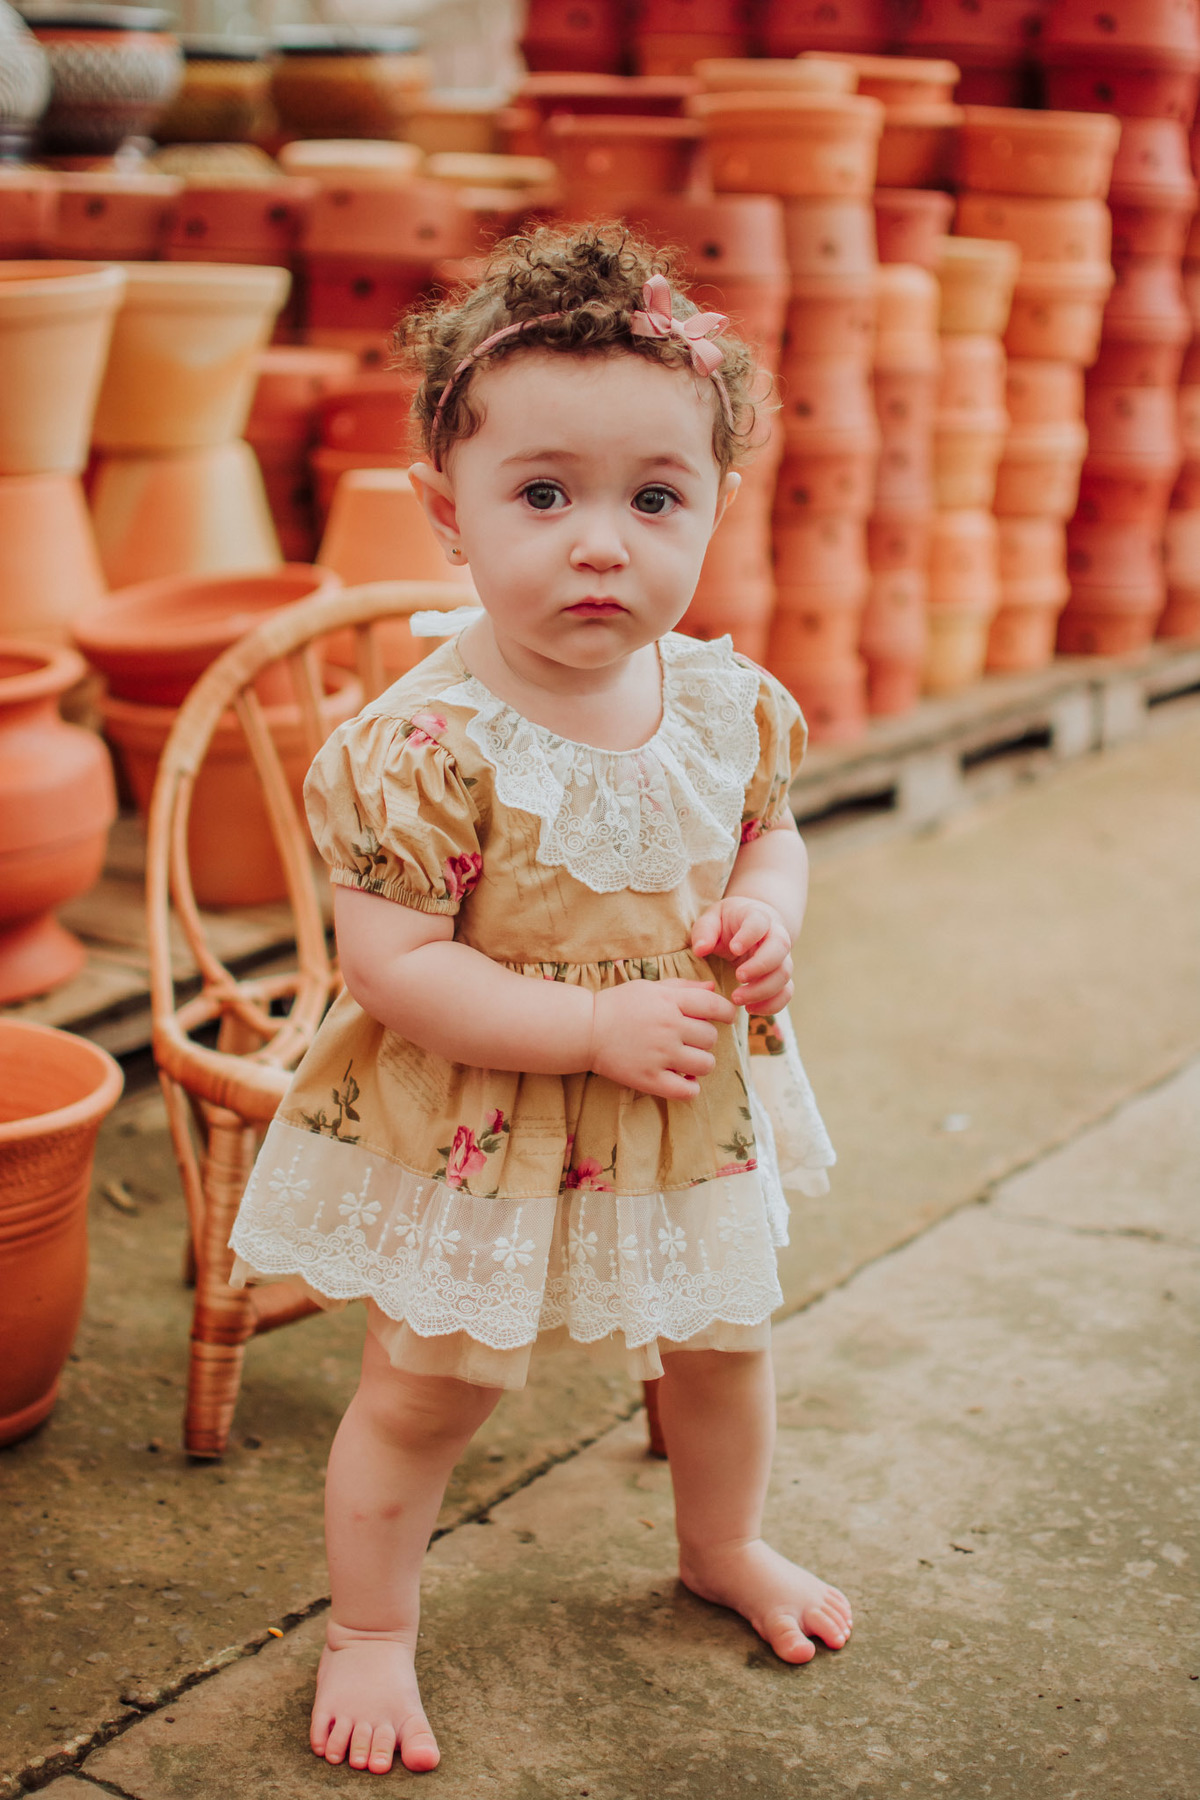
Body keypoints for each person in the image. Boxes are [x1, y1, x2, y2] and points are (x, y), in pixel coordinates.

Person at [229, 222, 849, 1777]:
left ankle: (723, 1543)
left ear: (713, 507)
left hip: (678, 1096)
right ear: (449, 516)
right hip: (485, 1111)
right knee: (429, 1389)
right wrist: (584, 1028)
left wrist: (764, 914)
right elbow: (395, 970)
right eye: (544, 495)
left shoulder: (719, 704)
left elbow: (771, 832)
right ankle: (371, 1630)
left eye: (655, 499)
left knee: (720, 1346)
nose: (601, 545)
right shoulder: (422, 750)